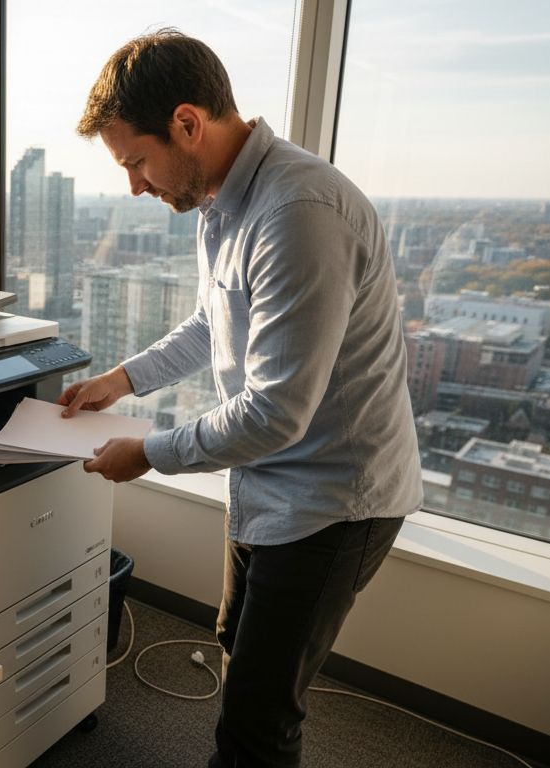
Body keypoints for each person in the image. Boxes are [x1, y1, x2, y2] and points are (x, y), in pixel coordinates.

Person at [61, 29, 423, 768]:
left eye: (136, 161)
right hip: (266, 482)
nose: (134, 185)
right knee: (236, 647)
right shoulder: (224, 200)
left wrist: (150, 455)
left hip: (332, 501)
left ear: (188, 125)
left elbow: (274, 411)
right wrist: (122, 379)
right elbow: (212, 322)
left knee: (259, 719)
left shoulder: (299, 212)